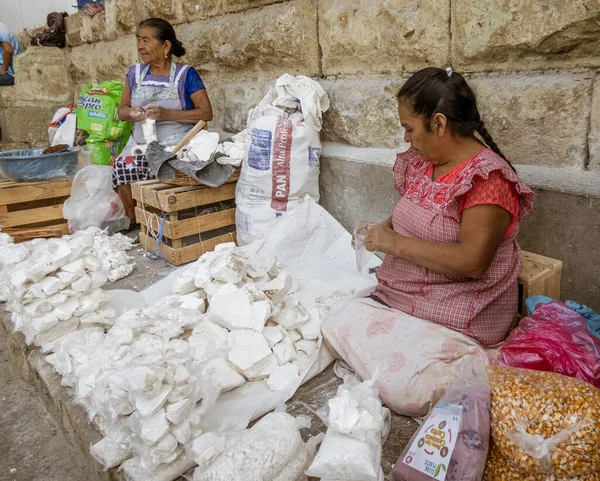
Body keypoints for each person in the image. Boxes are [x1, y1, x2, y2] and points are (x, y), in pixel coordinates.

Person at [322, 67, 535, 417]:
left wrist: (393, 244)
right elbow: (410, 215)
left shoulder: (488, 180)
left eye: (409, 128)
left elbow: (472, 261)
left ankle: (461, 365)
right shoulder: (427, 162)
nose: (407, 138)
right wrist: (380, 229)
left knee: (413, 389)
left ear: (438, 123)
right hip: (406, 300)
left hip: (462, 316)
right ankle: (409, 351)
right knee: (335, 321)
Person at [113, 18, 213, 223]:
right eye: (138, 40)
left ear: (166, 45)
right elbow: (121, 110)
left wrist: (168, 114)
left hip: (176, 143)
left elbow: (206, 113)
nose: (140, 46)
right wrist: (132, 112)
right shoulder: (134, 73)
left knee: (176, 165)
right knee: (121, 166)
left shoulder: (186, 75)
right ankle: (136, 222)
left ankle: (175, 218)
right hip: (140, 143)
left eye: (146, 41)